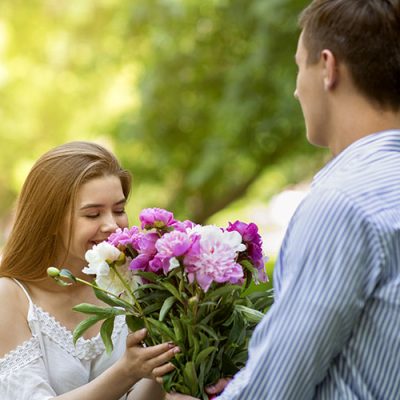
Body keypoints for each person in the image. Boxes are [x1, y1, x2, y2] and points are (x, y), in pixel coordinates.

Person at [167, 0, 400, 399]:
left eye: (299, 66)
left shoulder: (343, 205)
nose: (295, 89)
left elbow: (275, 389)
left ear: (328, 67)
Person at [0, 141, 180, 400]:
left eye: (119, 210)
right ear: (49, 220)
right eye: (93, 214)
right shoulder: (11, 297)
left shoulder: (137, 280)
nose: (112, 225)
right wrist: (126, 372)